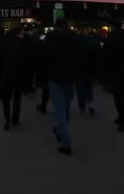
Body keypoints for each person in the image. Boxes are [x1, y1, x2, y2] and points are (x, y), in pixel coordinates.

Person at [44, 18, 83, 156]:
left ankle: (65, 141)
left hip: (55, 78)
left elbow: (44, 57)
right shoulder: (75, 39)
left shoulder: (50, 39)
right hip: (70, 78)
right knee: (66, 109)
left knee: (60, 111)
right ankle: (60, 130)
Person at [0, 27, 28, 130]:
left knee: (6, 100)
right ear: (17, 34)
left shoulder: (2, 44)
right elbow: (24, 62)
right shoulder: (21, 45)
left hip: (5, 76)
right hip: (17, 76)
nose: (23, 36)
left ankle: (7, 119)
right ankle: (15, 119)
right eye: (21, 34)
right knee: (17, 98)